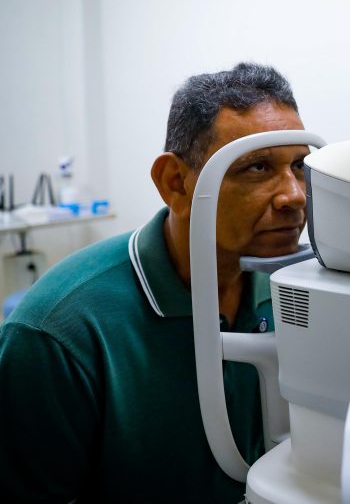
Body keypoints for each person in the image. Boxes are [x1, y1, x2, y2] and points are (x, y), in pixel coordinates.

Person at [0, 63, 310, 503]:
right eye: (257, 167)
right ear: (175, 183)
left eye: (299, 166)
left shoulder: (293, 292)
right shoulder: (61, 332)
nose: (294, 195)